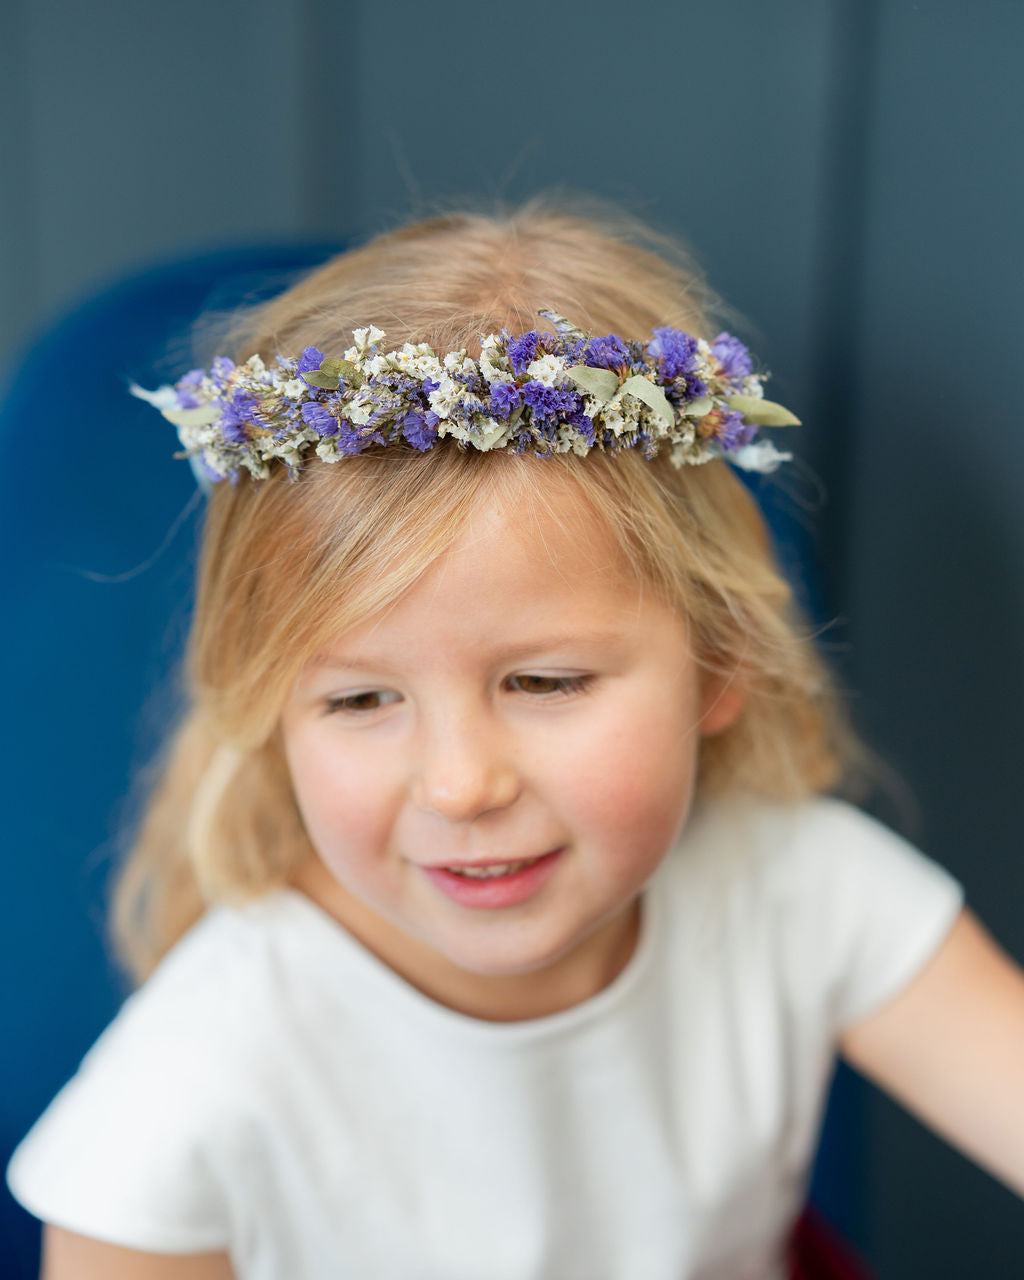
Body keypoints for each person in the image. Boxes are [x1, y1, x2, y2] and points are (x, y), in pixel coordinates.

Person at [7, 201, 1024, 1280]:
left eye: (543, 681)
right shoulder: (185, 1097)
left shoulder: (798, 887)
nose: (459, 783)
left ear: (719, 663)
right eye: (359, 700)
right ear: (267, 706)